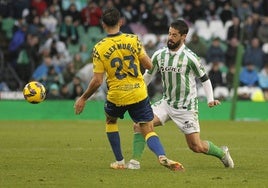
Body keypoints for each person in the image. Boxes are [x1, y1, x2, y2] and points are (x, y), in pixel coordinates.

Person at [74, 8, 183, 171]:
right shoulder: (134, 40)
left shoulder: (99, 47)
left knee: (111, 121)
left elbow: (97, 81)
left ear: (103, 25)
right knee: (146, 127)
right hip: (138, 92)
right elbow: (148, 65)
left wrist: (83, 98)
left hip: (117, 95)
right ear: (121, 22)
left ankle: (119, 161)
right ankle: (162, 156)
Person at [127, 19, 234, 170]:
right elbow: (148, 76)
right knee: (139, 125)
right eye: (169, 34)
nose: (170, 37)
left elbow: (205, 79)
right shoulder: (159, 55)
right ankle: (134, 162)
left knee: (196, 147)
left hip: (186, 107)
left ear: (184, 37)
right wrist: (136, 92)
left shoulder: (191, 58)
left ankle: (222, 153)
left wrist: (210, 99)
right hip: (166, 103)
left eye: (175, 35)